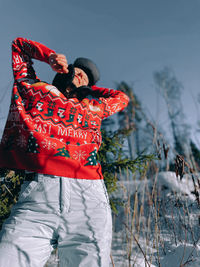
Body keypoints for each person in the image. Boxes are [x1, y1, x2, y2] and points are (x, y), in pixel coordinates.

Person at [0, 37, 129, 267]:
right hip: (37, 200)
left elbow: (121, 98)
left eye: (86, 78)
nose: (81, 76)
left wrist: (87, 88)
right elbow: (18, 46)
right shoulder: (33, 88)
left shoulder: (92, 106)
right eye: (78, 71)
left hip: (89, 200)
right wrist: (50, 57)